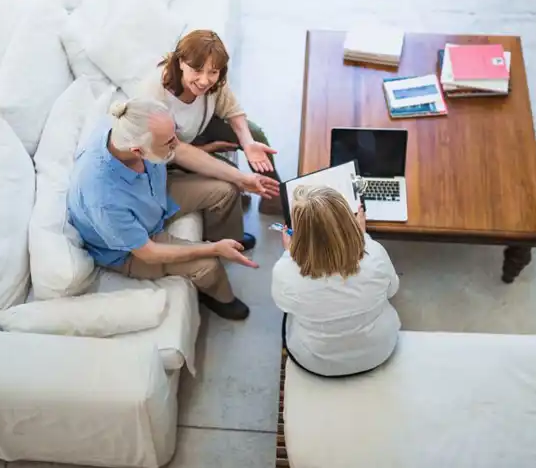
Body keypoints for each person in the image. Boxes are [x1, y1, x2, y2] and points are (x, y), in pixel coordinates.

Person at [67, 97, 280, 320]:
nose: (176, 143)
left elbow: (181, 151)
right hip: (131, 249)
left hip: (153, 198)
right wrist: (213, 249)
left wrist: (242, 179)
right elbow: (148, 252)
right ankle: (219, 297)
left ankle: (229, 239)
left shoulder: (125, 127)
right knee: (208, 265)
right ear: (138, 151)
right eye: (169, 142)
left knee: (226, 190)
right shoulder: (102, 197)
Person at [138, 29, 283, 215]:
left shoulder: (215, 79)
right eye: (197, 70)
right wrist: (208, 149)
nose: (204, 81)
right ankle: (237, 197)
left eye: (213, 72)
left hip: (197, 129)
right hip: (167, 153)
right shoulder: (155, 94)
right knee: (230, 174)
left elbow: (232, 110)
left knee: (254, 135)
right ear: (181, 62)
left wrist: (248, 143)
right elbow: (171, 151)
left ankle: (274, 199)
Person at [271, 185, 401, 377]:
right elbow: (392, 290)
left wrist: (289, 254)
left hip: (316, 361)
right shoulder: (375, 254)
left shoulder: (284, 271)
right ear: (348, 221)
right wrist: (363, 238)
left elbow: (285, 306)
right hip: (378, 351)